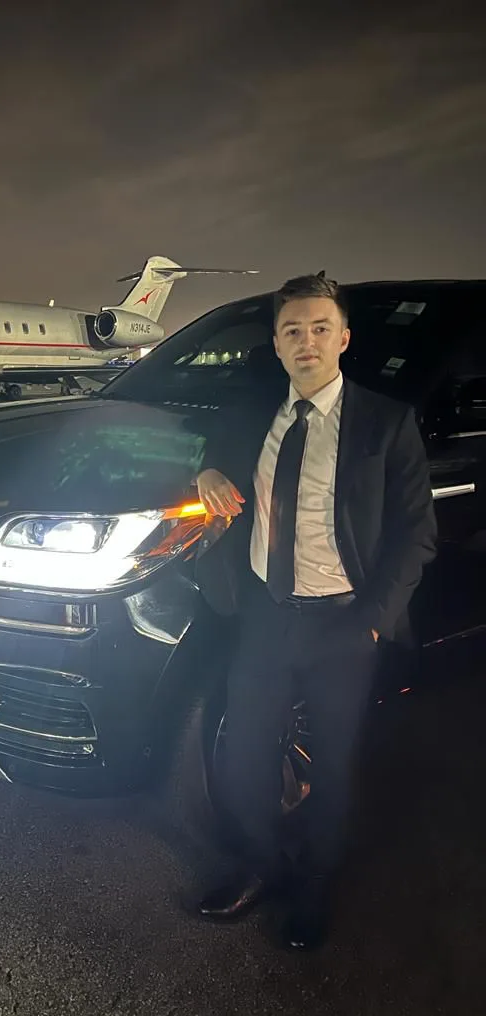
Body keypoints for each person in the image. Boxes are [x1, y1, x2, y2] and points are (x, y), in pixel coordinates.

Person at [194, 273, 437, 950]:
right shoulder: (253, 416)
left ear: (344, 337)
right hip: (267, 617)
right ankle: (261, 865)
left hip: (343, 620)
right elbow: (216, 457)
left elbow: (416, 532)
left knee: (332, 766)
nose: (307, 342)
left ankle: (315, 889)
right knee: (243, 760)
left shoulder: (386, 423)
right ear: (276, 345)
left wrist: (371, 620)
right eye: (293, 331)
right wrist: (208, 473)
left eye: (320, 328)